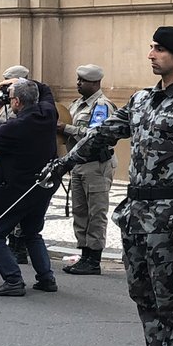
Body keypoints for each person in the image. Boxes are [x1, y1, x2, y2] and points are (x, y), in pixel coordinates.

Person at [42, 26, 173, 346]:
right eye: (152, 48)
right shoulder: (141, 100)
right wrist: (64, 162)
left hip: (169, 216)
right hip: (137, 213)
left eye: (160, 49)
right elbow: (102, 135)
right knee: (144, 295)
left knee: (172, 300)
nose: (152, 54)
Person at [0, 80, 60, 296]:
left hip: (16, 190)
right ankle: (46, 278)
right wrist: (22, 82)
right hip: (42, 186)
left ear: (16, 101)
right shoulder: (48, 113)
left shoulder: (14, 127)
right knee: (32, 232)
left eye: (10, 96)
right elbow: (46, 89)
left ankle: (13, 280)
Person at [60, 64, 117, 276]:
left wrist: (66, 128)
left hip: (96, 165)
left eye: (82, 81)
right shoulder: (77, 104)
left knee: (96, 212)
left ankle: (94, 258)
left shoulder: (101, 106)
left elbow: (97, 134)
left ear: (95, 83)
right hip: (78, 163)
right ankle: (84, 254)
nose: (78, 84)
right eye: (78, 80)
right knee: (80, 211)